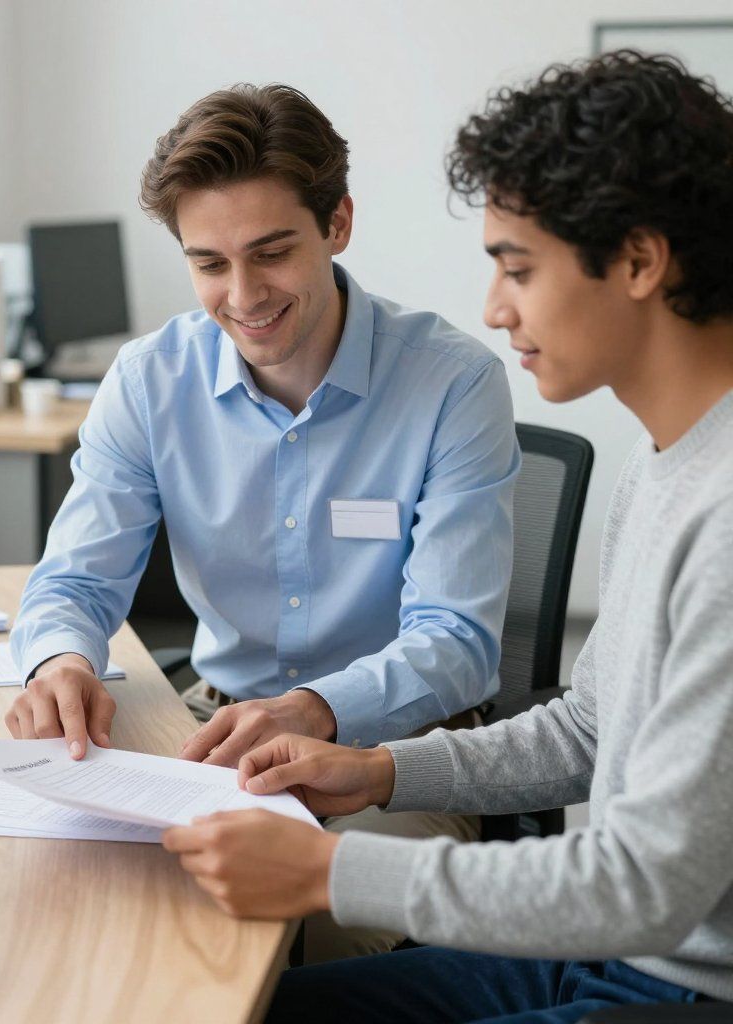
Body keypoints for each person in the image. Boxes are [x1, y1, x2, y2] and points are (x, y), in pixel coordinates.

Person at [162, 51, 733, 1020]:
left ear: (638, 260)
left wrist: (329, 872)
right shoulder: (663, 464)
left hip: (681, 986)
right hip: (615, 953)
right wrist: (379, 769)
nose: (493, 308)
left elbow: (645, 880)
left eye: (518, 268)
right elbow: (590, 727)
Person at [7, 84, 520, 960]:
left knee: (314, 951)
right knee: (95, 919)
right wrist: (59, 657)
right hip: (214, 737)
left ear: (339, 224)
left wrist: (316, 710)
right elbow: (75, 581)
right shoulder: (148, 381)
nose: (242, 295)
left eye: (271, 253)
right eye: (209, 263)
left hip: (394, 758)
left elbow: (457, 639)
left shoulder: (451, 383)